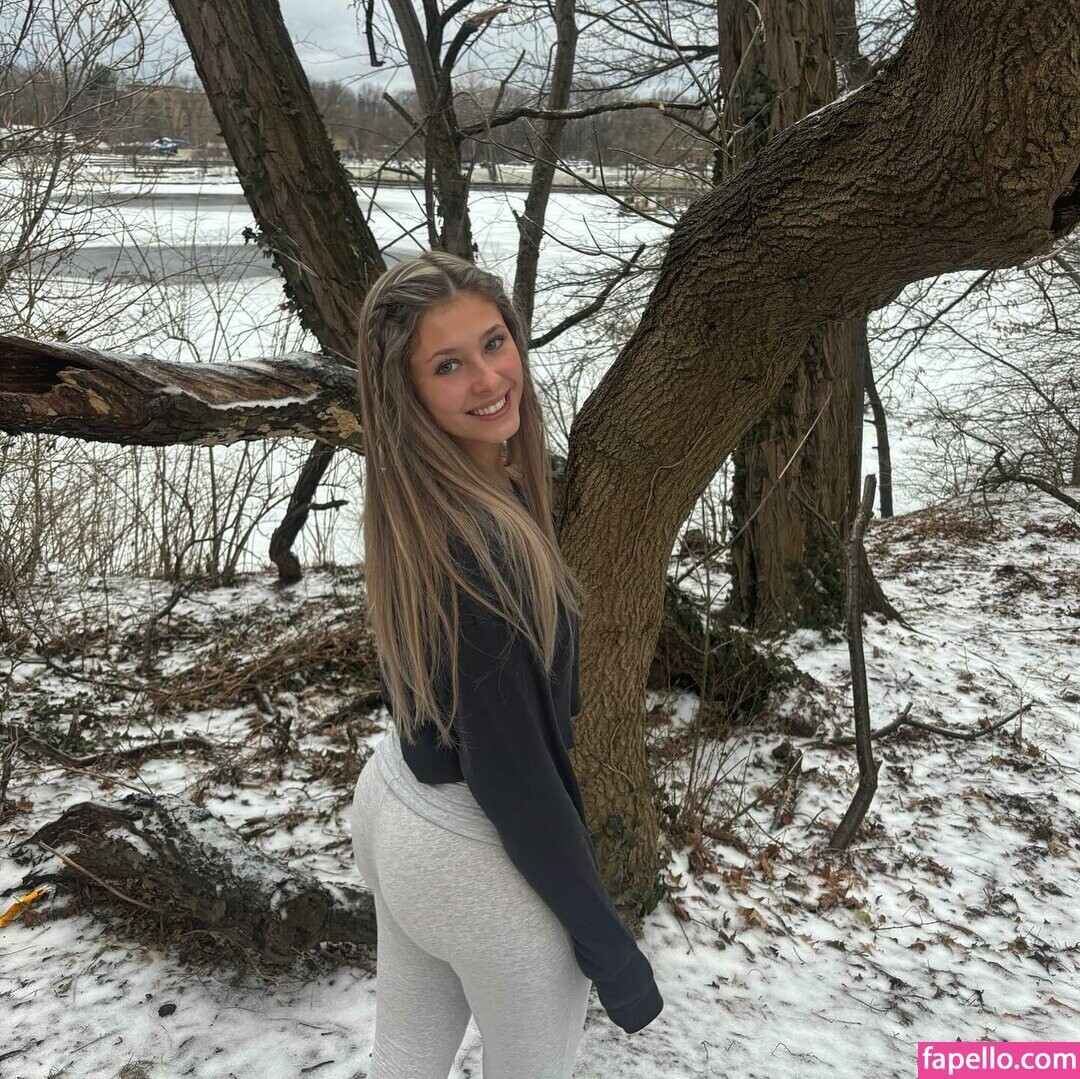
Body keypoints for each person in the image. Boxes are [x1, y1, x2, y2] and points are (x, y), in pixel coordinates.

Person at [347, 250, 663, 1079]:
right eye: (448, 364)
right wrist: (610, 951)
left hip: (397, 801)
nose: (489, 378)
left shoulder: (422, 497)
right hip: (467, 850)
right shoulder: (481, 554)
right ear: (408, 392)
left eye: (494, 343)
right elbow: (517, 779)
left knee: (406, 1060)